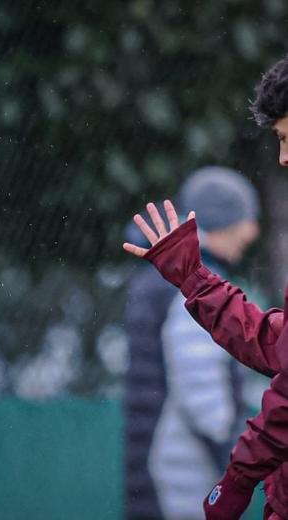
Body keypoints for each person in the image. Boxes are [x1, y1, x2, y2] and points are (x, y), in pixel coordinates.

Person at [123, 55, 288, 520]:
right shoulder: (171, 292)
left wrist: (238, 473)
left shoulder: (160, 286)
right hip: (181, 469)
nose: (282, 157)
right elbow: (209, 389)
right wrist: (233, 468)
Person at [123, 169, 261, 520]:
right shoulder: (190, 286)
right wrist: (240, 465)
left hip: (157, 467)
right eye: (244, 219)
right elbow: (204, 400)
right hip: (182, 478)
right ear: (219, 222)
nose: (252, 231)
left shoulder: (162, 279)